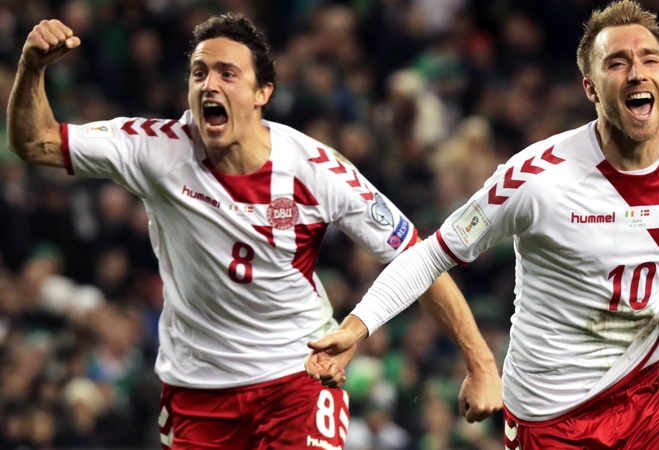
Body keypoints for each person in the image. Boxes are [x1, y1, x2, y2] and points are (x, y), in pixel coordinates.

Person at [6, 13, 502, 450]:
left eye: (228, 73)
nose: (209, 85)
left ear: (263, 93)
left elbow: (417, 259)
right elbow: (36, 142)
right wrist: (31, 68)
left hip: (297, 377)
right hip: (196, 389)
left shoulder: (316, 171)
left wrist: (480, 365)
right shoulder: (155, 150)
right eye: (199, 73)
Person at [305, 1, 659, 448]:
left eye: (650, 59)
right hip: (549, 418)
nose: (637, 72)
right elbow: (430, 256)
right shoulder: (535, 179)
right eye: (617, 63)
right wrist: (358, 327)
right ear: (590, 88)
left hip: (644, 396)